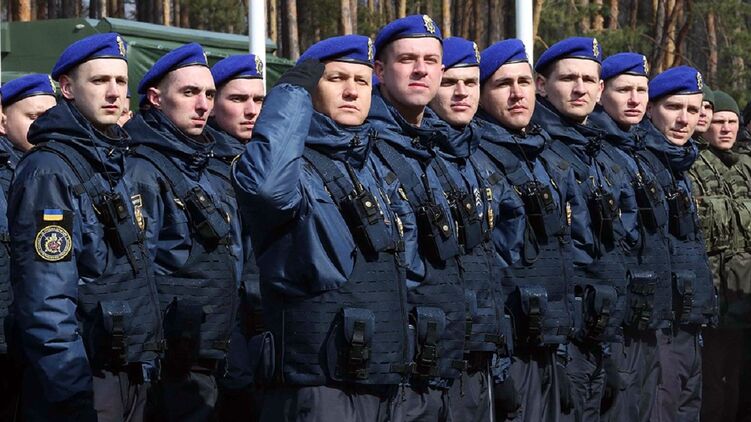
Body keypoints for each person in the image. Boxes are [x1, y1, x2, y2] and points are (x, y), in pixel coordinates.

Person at [232, 34, 410, 421]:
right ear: (311, 90)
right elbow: (265, 189)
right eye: (336, 79)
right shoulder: (293, 166)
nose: (352, 91)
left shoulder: (374, 165)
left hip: (382, 381)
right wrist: (290, 94)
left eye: (361, 81)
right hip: (317, 387)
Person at [8, 33, 162, 422]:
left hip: (127, 367)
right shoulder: (49, 170)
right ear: (67, 88)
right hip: (86, 376)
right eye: (99, 81)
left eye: (121, 81)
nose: (114, 92)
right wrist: (71, 391)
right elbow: (46, 296)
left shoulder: (115, 160)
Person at [473, 38, 590, 422]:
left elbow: (568, 257)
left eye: (523, 82)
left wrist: (566, 348)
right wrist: (499, 368)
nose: (517, 94)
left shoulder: (545, 157)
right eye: (503, 84)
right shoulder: (476, 158)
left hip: (550, 344)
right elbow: (484, 274)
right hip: (510, 352)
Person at [124, 42, 243, 421]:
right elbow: (138, 271)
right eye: (190, 92)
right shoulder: (142, 167)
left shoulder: (212, 164)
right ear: (156, 98)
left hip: (217, 352)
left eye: (209, 93)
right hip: (173, 361)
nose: (203, 105)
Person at [531, 37, 639, 422]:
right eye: (568, 79)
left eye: (589, 80)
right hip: (561, 341)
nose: (580, 89)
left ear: (600, 88)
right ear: (541, 85)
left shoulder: (601, 152)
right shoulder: (536, 149)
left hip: (601, 332)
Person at [367, 14, 467, 420]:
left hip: (444, 359)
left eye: (431, 60)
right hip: (392, 371)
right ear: (379, 70)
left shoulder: (444, 148)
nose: (421, 70)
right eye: (407, 59)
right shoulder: (361, 145)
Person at [427, 36, 523, 422]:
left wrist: (500, 364)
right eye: (449, 83)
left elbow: (495, 269)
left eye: (470, 83)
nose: (462, 93)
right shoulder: (418, 157)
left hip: (482, 353)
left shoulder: (479, 160)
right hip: (436, 361)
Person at [588, 53, 672, 422]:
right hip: (617, 320)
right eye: (624, 90)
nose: (635, 99)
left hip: (647, 314)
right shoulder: (596, 149)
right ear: (601, 92)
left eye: (641, 90)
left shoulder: (642, 148)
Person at [641, 65, 717, 422]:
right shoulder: (642, 162)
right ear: (650, 108)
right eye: (673, 107)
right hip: (659, 328)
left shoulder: (680, 163)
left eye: (692, 110)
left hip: (688, 321)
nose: (684, 119)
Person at [207, 53, 267, 422]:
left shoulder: (268, 161)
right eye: (238, 99)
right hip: (230, 329)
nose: (251, 110)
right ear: (213, 105)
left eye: (259, 100)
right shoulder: (206, 166)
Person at [688, 90, 751, 422]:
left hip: (744, 294)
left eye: (733, 122)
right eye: (719, 121)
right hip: (712, 294)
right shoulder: (692, 166)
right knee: (712, 382)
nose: (726, 129)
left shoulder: (745, 168)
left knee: (737, 380)